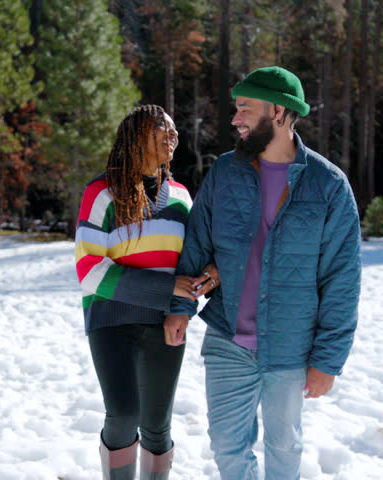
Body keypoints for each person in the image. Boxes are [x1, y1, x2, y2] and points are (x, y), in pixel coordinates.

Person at [164, 66, 361, 479]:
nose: (235, 119)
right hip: (226, 340)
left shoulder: (328, 186)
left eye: (245, 109)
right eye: (236, 109)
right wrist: (180, 306)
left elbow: (341, 280)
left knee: (284, 446)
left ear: (277, 111)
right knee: (226, 445)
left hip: (291, 346)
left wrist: (328, 360)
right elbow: (196, 247)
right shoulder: (224, 172)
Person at [75, 104, 220, 480]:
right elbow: (89, 270)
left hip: (165, 323)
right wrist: (166, 287)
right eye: (161, 128)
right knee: (123, 413)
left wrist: (186, 303)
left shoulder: (182, 197)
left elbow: (189, 267)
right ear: (135, 135)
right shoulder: (102, 192)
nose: (172, 135)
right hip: (111, 320)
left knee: (157, 425)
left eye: (174, 129)